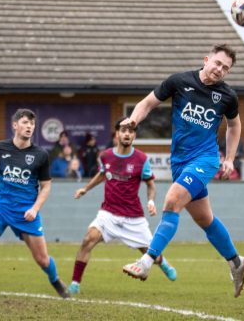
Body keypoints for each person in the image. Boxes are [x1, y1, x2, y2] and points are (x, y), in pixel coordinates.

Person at [120, 44, 244, 298]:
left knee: (171, 202)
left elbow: (235, 126)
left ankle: (146, 262)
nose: (220, 70)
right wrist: (133, 121)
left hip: (206, 159)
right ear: (206, 60)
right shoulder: (179, 81)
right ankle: (237, 262)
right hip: (179, 162)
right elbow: (147, 103)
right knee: (205, 219)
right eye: (217, 63)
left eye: (226, 68)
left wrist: (230, 158)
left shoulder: (227, 96)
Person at [0, 108, 69, 298]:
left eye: (32, 124)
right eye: (25, 122)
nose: (29, 127)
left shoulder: (41, 155)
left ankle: (55, 280)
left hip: (26, 212)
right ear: (14, 125)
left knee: (42, 259)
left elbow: (46, 186)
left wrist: (35, 208)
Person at [68, 118, 177, 295]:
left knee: (152, 254)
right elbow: (102, 174)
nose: (127, 133)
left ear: (134, 135)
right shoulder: (105, 156)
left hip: (133, 218)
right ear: (117, 133)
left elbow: (150, 184)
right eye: (123, 130)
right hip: (108, 214)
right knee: (88, 239)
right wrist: (85, 189)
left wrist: (150, 201)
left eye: (131, 131)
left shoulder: (142, 159)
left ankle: (163, 263)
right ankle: (75, 283)